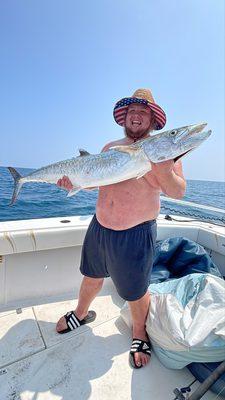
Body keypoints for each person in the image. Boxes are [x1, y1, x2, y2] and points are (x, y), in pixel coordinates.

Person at [56, 89, 186, 369]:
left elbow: (178, 192)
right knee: (90, 276)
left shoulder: (167, 149)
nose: (136, 116)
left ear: (153, 120)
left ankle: (139, 332)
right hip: (100, 227)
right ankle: (81, 312)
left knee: (136, 290)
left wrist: (162, 168)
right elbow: (96, 181)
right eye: (131, 112)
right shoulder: (110, 147)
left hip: (135, 234)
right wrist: (74, 183)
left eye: (143, 112)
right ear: (124, 118)